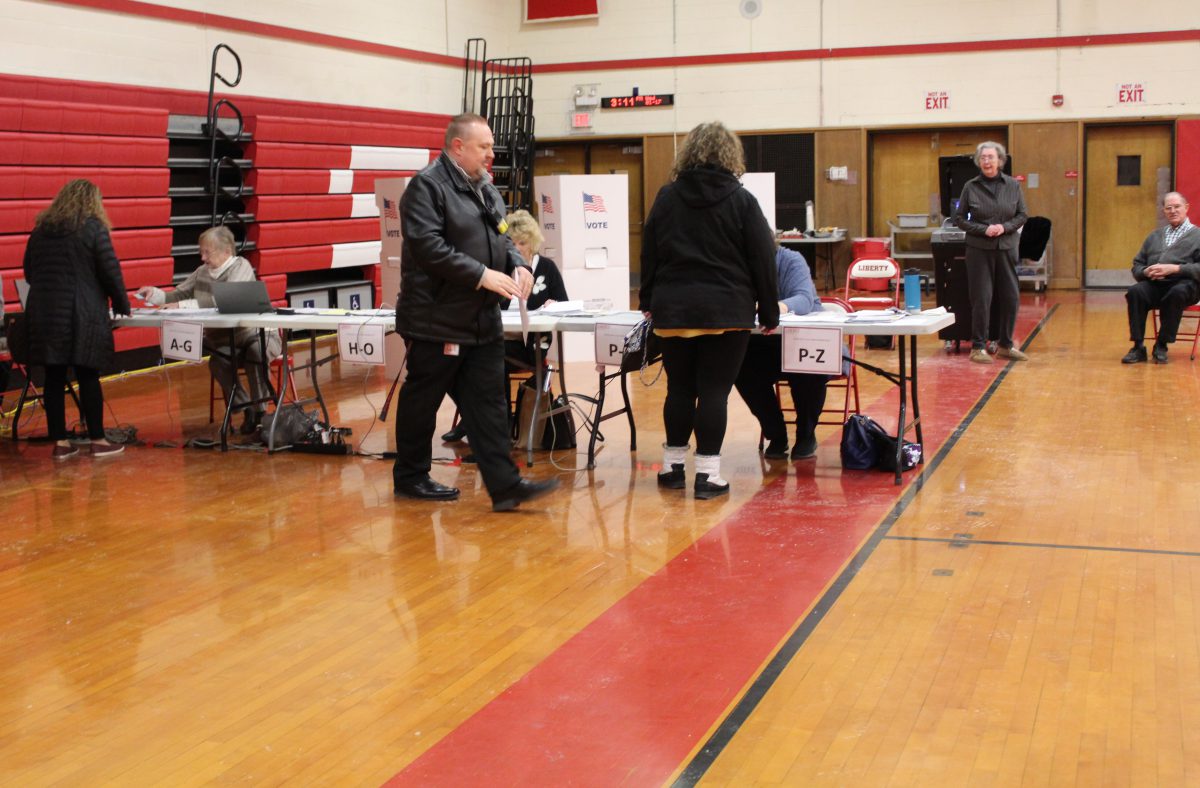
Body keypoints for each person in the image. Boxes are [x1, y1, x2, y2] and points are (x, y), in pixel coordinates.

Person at [392, 112, 559, 511]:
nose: (491, 155)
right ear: (457, 147)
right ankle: (410, 476)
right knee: (423, 398)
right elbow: (427, 247)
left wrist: (517, 261)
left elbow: (501, 235)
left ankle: (505, 486)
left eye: (491, 147)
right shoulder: (426, 187)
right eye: (483, 147)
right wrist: (481, 275)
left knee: (489, 403)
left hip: (481, 320)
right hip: (437, 320)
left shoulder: (484, 189)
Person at [640, 121, 779, 499]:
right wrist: (769, 312)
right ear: (730, 155)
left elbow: (650, 251)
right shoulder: (742, 200)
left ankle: (671, 470)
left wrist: (648, 301)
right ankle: (707, 476)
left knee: (679, 390)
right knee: (714, 392)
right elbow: (763, 259)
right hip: (725, 310)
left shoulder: (667, 197)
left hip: (674, 310)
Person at [21, 178, 131, 459]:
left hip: (45, 314)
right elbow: (110, 270)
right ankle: (98, 440)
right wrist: (122, 303)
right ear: (93, 202)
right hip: (82, 313)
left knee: (54, 378)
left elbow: (30, 273)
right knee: (88, 374)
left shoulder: (41, 231)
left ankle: (60, 443)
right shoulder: (93, 228)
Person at [137, 225, 282, 434]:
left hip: (259, 333)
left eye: (207, 252)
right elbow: (176, 296)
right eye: (201, 252)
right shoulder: (201, 273)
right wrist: (155, 294)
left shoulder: (241, 266)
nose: (203, 258)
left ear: (226, 252)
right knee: (217, 363)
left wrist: (184, 305)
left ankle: (261, 413)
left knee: (256, 352)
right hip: (226, 340)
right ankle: (246, 407)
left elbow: (224, 299)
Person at [441, 208, 567, 444]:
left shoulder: (547, 268)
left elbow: (565, 304)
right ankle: (473, 416)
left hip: (530, 346)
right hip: (495, 335)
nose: (517, 248)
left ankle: (496, 426)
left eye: (522, 242)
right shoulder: (499, 268)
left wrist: (553, 305)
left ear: (532, 243)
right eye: (513, 242)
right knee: (448, 358)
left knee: (489, 360)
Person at [734, 244, 833, 461]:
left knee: (808, 370)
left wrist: (774, 308)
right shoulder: (737, 263)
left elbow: (804, 300)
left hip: (804, 341)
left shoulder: (791, 260)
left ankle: (806, 434)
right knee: (739, 369)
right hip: (762, 344)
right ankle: (776, 433)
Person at [952, 141, 1029, 364]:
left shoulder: (1013, 185)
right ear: (979, 161)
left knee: (1010, 297)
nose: (987, 161)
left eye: (991, 157)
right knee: (982, 298)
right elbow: (959, 218)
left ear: (1000, 161)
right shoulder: (970, 186)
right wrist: (983, 229)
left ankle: (1006, 345)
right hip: (979, 249)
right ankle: (978, 346)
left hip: (1006, 247)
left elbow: (1022, 215)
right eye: (983, 157)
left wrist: (1004, 228)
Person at [1121, 192, 1200, 364]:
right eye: (1168, 208)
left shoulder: (1198, 236)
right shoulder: (1154, 236)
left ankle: (1162, 344)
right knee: (1135, 291)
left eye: (1177, 206)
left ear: (1186, 208)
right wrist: (1145, 272)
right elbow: (1137, 265)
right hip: (1156, 284)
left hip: (1186, 285)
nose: (1173, 211)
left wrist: (1175, 268)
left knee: (1176, 293)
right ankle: (1138, 347)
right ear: (1164, 211)